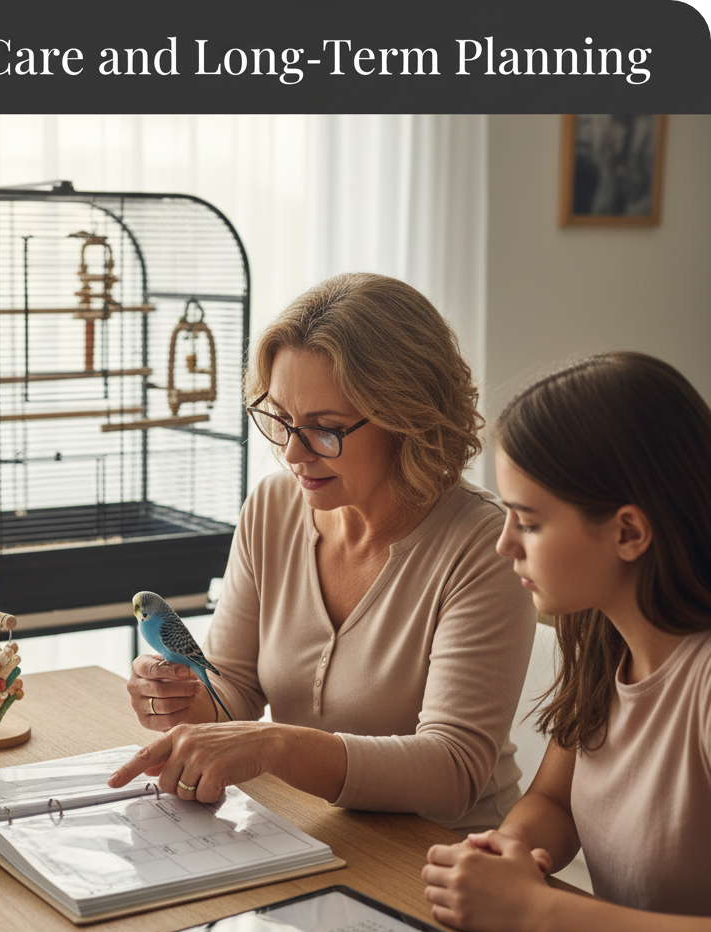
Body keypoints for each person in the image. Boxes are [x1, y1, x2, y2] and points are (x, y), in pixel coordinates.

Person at [108, 272, 537, 833]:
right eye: (280, 419)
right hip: (310, 832)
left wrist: (275, 746)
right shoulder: (272, 508)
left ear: (407, 421)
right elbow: (234, 686)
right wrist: (180, 699)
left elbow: (454, 768)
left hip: (447, 856)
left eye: (325, 429)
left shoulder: (484, 547)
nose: (292, 453)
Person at [421, 352, 711, 932]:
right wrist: (508, 851)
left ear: (628, 532)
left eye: (528, 522)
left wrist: (537, 912)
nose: (504, 546)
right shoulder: (603, 638)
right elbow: (556, 802)